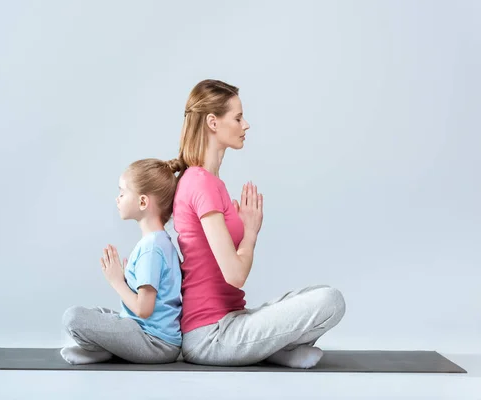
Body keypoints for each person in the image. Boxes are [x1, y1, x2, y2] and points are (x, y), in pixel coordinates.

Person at [171, 79, 346, 368]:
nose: (246, 125)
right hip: (211, 336)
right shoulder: (200, 183)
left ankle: (271, 349)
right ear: (213, 123)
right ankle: (272, 349)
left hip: (233, 319)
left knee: (313, 295)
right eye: (238, 118)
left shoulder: (209, 182)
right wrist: (250, 233)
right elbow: (235, 275)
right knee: (331, 301)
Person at [60, 158, 184, 364]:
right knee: (100, 313)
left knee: (73, 317)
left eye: (122, 193)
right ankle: (107, 348)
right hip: (152, 337)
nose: (117, 199)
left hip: (154, 343)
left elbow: (144, 309)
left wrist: (116, 281)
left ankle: (105, 350)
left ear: (143, 202)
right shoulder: (162, 242)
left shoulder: (150, 249)